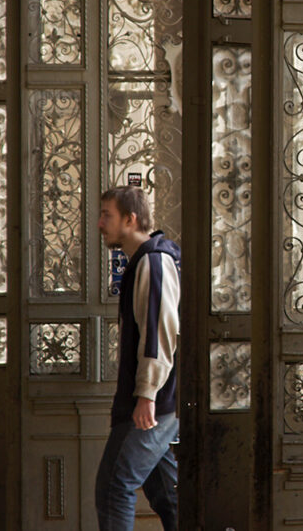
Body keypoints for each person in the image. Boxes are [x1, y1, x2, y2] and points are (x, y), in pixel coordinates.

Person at [95, 186, 181, 531]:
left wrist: (147, 394)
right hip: (157, 399)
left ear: (130, 220)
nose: (100, 223)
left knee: (114, 487)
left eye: (107, 215)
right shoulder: (145, 261)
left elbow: (159, 333)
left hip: (155, 401)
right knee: (167, 495)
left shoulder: (153, 261)